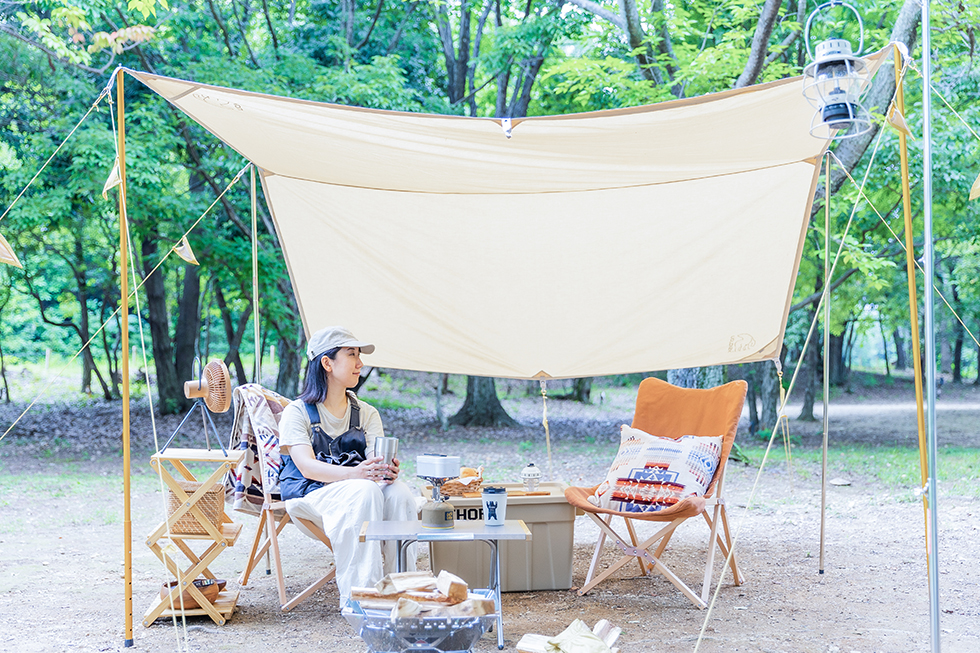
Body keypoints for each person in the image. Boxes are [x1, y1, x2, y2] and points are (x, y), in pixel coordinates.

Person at [277, 326, 417, 608]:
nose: (360, 364)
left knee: (400, 492)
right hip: (311, 496)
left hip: (361, 493)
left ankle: (405, 592)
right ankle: (363, 601)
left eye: (359, 355)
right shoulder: (297, 412)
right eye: (351, 355)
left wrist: (385, 470)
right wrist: (357, 474)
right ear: (327, 363)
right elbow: (306, 467)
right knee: (364, 491)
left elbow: (374, 464)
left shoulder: (366, 413)